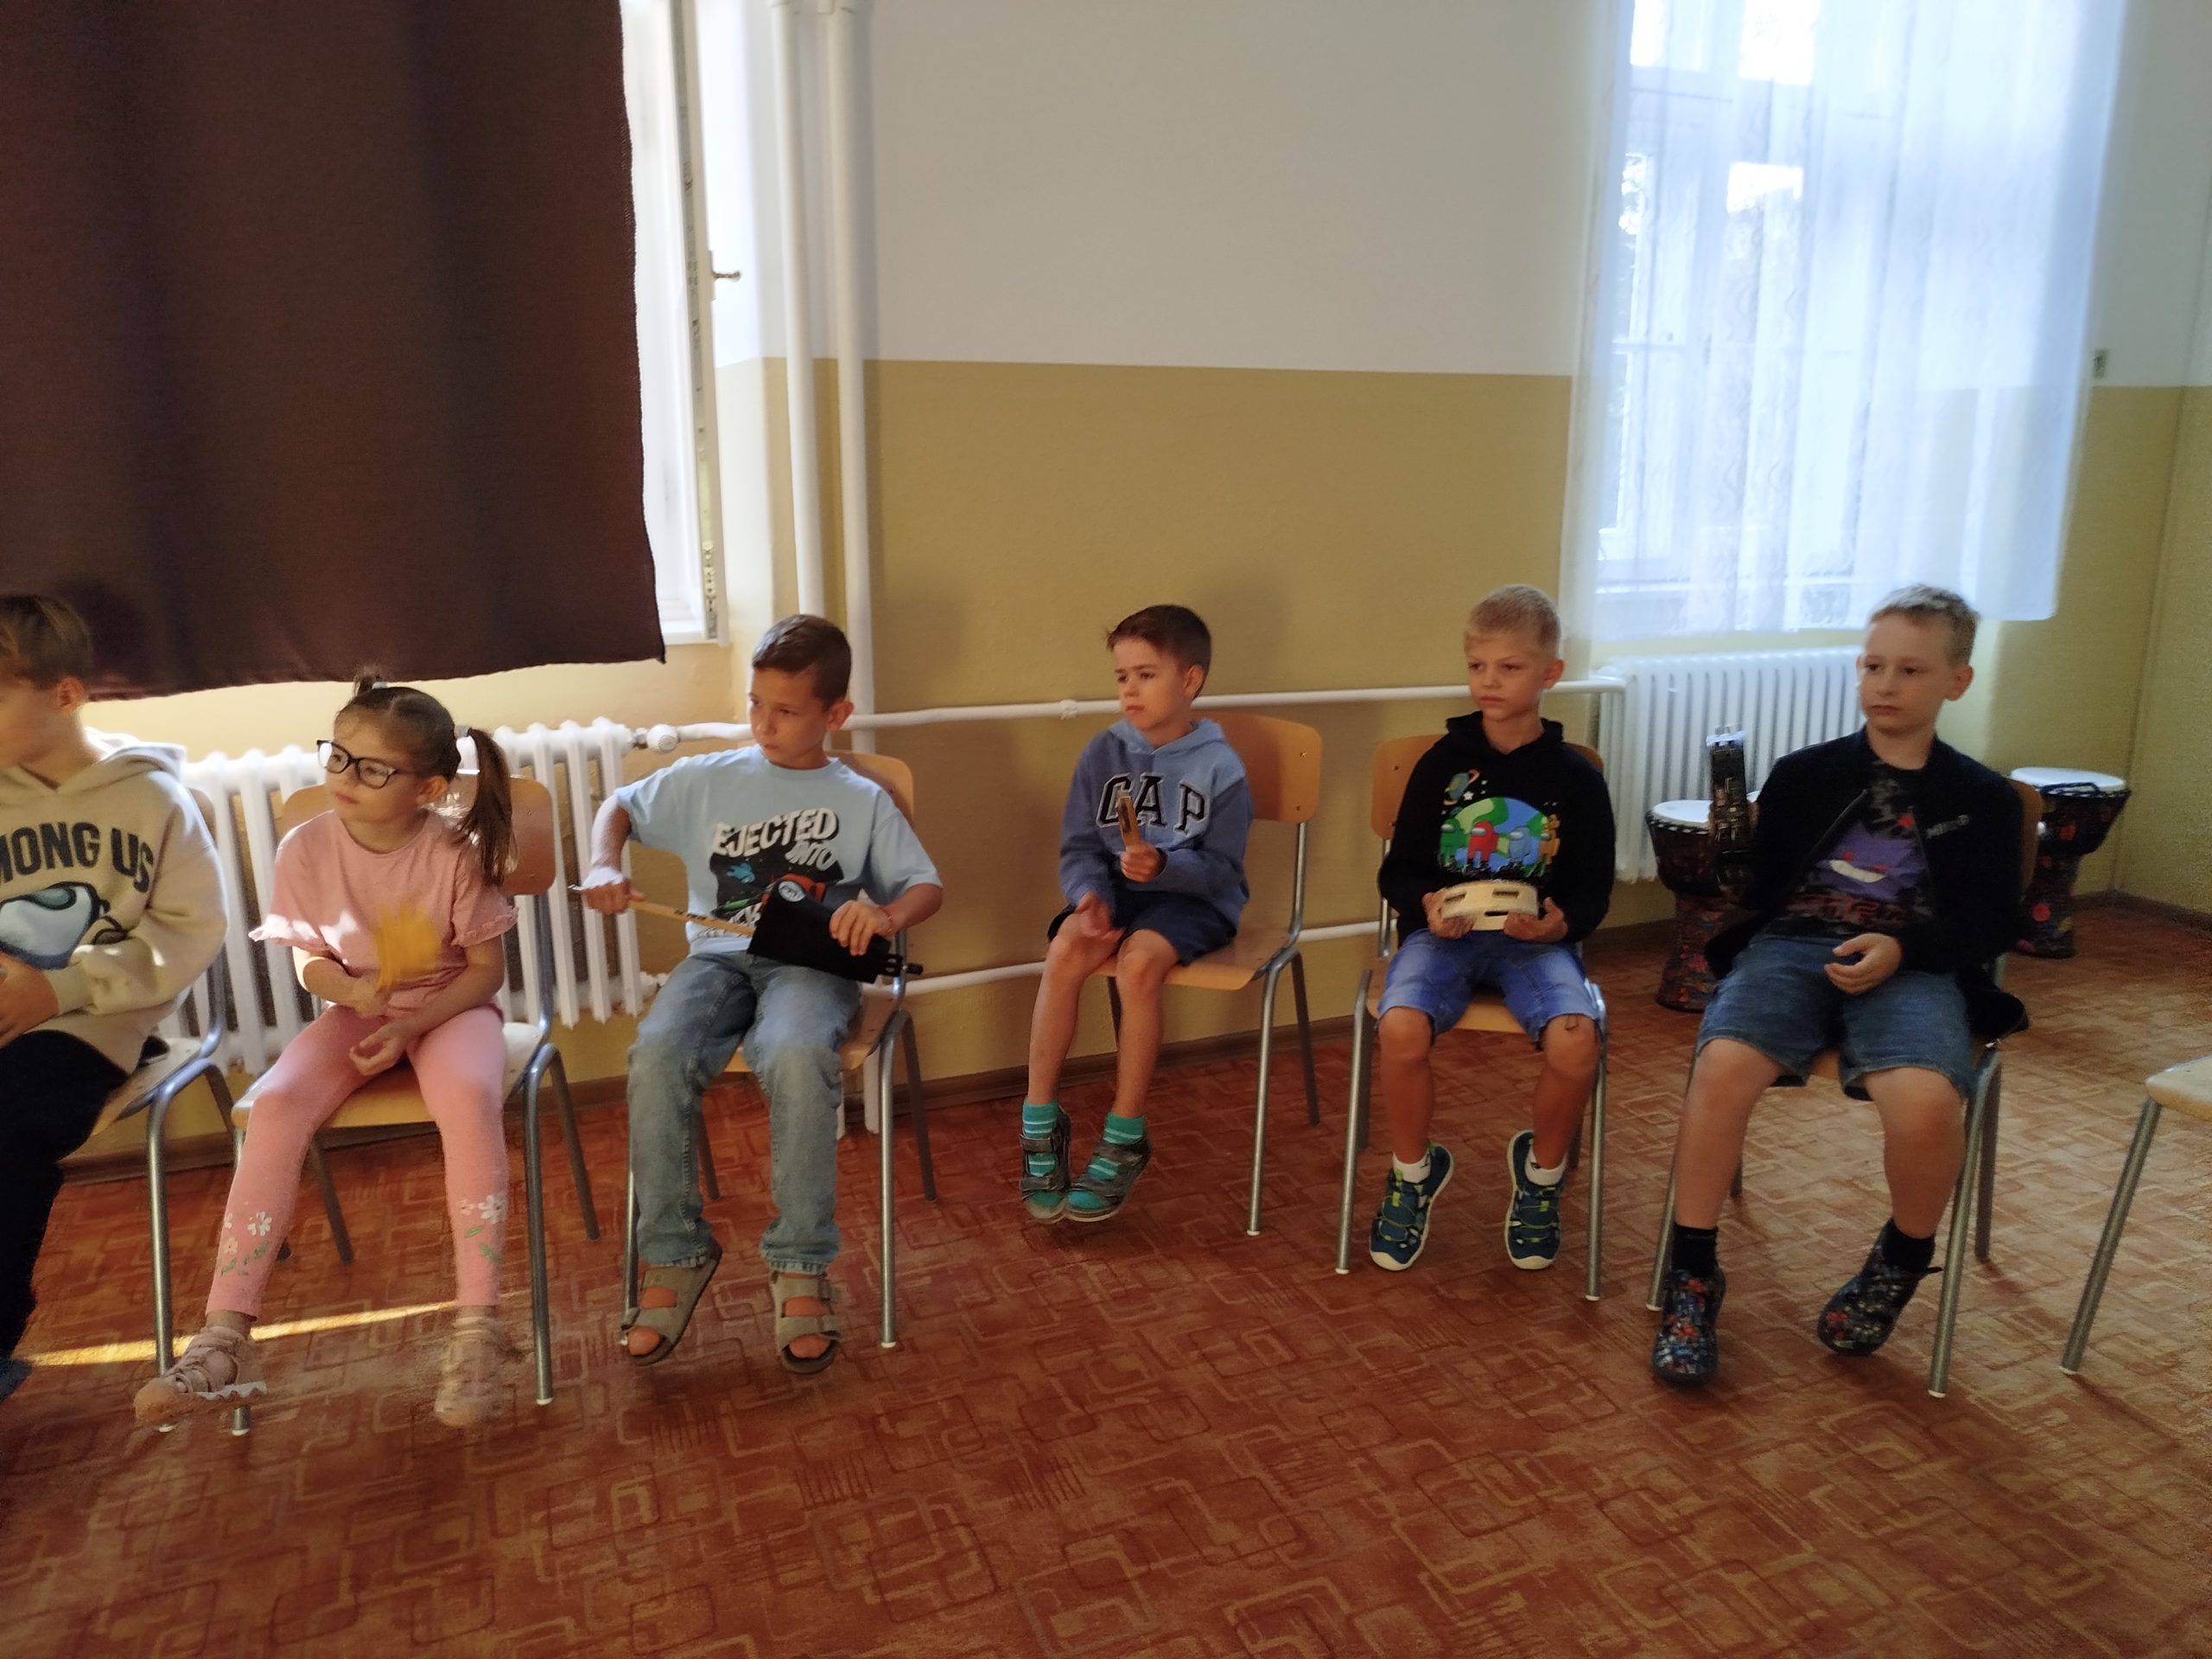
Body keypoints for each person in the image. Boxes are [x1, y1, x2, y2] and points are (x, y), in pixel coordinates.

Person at [1649, 585, 2026, 1389]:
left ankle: (1901, 1258)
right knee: (1722, 1068)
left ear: (1957, 681)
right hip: (1792, 946)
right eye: (1873, 666)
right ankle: (1692, 1272)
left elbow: (1993, 922)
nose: (1886, 685)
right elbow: (1758, 894)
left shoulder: (1983, 798)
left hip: (1916, 963)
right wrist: (1734, 854)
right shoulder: (1804, 773)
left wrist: (1903, 946)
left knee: (1924, 1102)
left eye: (1911, 670)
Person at [135, 676, 521, 1428]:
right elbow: (308, 960)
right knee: (277, 1105)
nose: (343, 776)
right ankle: (227, 1337)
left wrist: (412, 1024)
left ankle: (479, 1327)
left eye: (372, 768)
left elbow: (484, 972)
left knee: (468, 1099)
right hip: (358, 1011)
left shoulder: (453, 853)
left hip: (451, 1010)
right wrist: (347, 989)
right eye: (338, 756)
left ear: (427, 788)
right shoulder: (305, 846)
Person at [581, 615, 942, 1375]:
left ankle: (801, 1263)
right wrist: (604, 865)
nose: (763, 724)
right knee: (657, 1054)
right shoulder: (711, 778)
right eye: (755, 704)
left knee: (796, 1050)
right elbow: (619, 807)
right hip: (716, 963)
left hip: (809, 965)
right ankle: (675, 1253)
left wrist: (884, 915)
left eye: (785, 710)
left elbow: (925, 886)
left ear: (835, 714)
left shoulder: (862, 798)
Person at [1, 595, 226, 1407]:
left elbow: (189, 932)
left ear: (63, 694)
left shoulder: (153, 801)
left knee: (8, 1127)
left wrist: (59, 986)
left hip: (91, 1027)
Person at [1361, 584, 1612, 1274]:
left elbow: (1593, 888)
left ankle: (1541, 1177)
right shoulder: (1441, 765)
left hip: (1535, 944)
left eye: (1509, 667)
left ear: (1549, 673)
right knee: (1400, 1026)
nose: (1490, 682)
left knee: (1576, 1039)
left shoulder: (1575, 777)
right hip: (1444, 938)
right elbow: (1399, 872)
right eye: (1478, 666)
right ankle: (1413, 1175)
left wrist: (1564, 922)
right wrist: (1425, 904)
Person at [1020, 605, 1250, 1224]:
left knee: (1139, 964)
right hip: (1118, 892)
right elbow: (1079, 848)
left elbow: (1223, 867)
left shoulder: (1222, 766)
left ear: (1190, 680)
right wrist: (1088, 894)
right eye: (1122, 677)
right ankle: (1040, 1120)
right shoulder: (1102, 752)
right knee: (1067, 947)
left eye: (1146, 675)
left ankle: (1126, 1133)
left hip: (1195, 900)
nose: (1129, 690)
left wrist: (1165, 868)